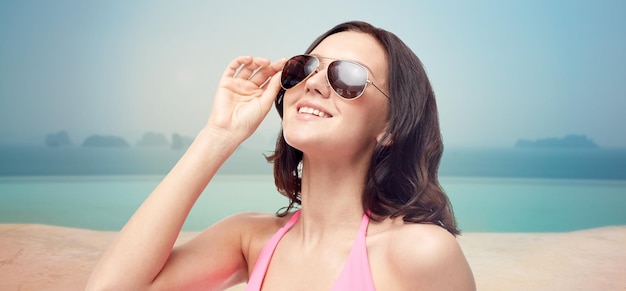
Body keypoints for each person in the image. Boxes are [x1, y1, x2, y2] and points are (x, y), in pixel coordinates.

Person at [86, 20, 475, 290]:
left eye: (348, 77)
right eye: (303, 68)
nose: (314, 85)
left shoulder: (420, 253)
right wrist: (219, 135)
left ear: (390, 127)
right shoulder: (250, 240)